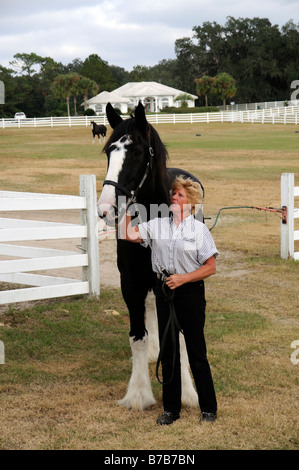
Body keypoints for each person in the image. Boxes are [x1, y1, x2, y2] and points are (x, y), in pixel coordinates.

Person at [120, 175, 218, 425]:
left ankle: (208, 408)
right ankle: (171, 410)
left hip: (190, 293)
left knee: (197, 352)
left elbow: (210, 267)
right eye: (173, 194)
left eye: (180, 195)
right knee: (168, 352)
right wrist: (128, 208)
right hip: (165, 291)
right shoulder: (157, 225)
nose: (174, 197)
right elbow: (128, 235)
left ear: (191, 203)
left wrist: (183, 279)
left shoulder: (199, 230)